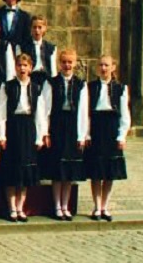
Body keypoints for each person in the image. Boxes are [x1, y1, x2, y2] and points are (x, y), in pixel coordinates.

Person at [0, 53, 47, 222]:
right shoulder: (7, 86)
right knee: (12, 170)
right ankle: (11, 208)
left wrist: (40, 136)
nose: (22, 68)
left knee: (25, 169)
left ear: (30, 68)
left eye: (25, 65)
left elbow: (40, 114)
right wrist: (1, 134)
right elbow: (0, 112)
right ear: (15, 67)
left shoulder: (36, 87)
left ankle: (20, 207)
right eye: (19, 65)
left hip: (28, 127)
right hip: (12, 127)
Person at [43, 49, 88, 221]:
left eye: (70, 62)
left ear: (75, 64)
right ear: (59, 64)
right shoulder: (51, 83)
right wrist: (45, 132)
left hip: (73, 126)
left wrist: (82, 135)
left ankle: (65, 205)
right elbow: (45, 108)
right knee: (57, 170)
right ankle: (56, 206)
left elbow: (83, 111)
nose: (67, 65)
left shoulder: (80, 84)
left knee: (68, 170)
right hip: (57, 125)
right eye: (64, 62)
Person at [84, 55, 130, 222]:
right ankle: (96, 206)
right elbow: (86, 113)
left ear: (113, 67)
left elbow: (125, 114)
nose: (103, 68)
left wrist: (122, 135)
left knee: (109, 172)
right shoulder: (90, 87)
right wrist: (86, 133)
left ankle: (105, 206)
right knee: (96, 171)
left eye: (106, 65)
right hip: (96, 127)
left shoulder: (121, 88)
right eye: (101, 65)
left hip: (111, 128)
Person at [17, 15, 57, 87]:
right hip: (30, 78)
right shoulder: (22, 46)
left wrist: (54, 82)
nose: (37, 30)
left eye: (39, 27)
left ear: (44, 28)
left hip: (46, 79)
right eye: (34, 27)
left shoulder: (51, 48)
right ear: (30, 29)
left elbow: (53, 69)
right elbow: (18, 64)